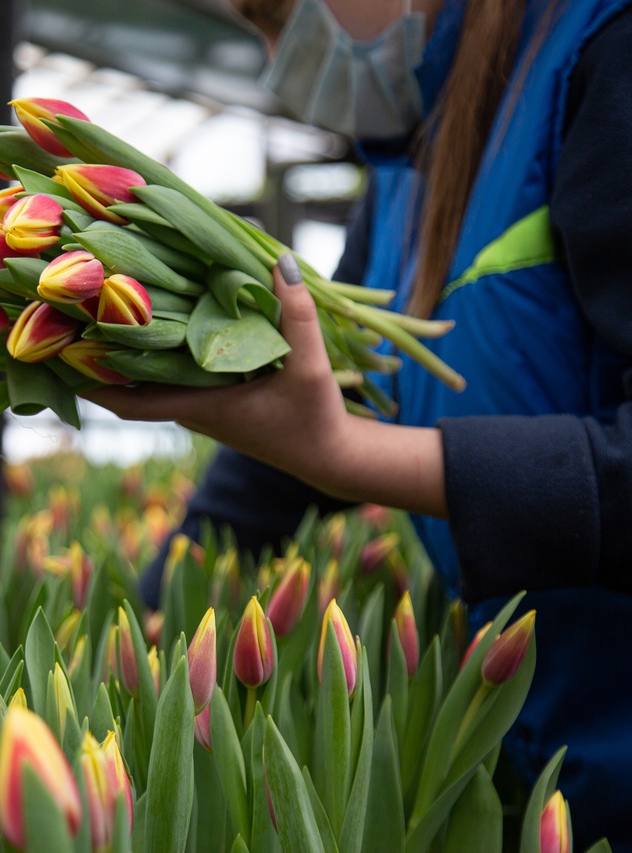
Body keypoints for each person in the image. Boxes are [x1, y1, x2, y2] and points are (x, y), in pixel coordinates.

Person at [85, 0, 632, 848]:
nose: (278, 57)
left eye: (274, 15)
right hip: (538, 762)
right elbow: (322, 404)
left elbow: (341, 430)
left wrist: (348, 456)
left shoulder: (605, 51)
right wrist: (147, 623)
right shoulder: (412, 161)